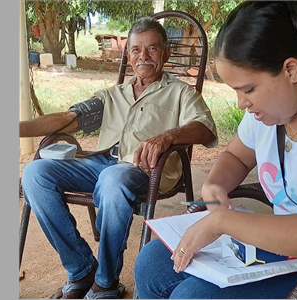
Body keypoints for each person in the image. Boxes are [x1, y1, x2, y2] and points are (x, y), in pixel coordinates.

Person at [20, 17, 218, 299]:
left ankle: (105, 282)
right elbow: (66, 119)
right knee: (35, 173)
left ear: (166, 54)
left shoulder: (180, 93)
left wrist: (168, 136)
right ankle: (81, 269)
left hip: (144, 171)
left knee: (114, 178)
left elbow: (205, 127)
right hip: (101, 165)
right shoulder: (114, 95)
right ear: (128, 54)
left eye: (152, 49)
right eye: (136, 49)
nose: (143, 56)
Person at [134, 2, 297, 299]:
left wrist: (224, 220)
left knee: (191, 296)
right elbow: (235, 156)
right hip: (280, 246)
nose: (240, 104)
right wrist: (215, 184)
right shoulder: (267, 115)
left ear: (291, 70)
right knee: (151, 265)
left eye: (248, 89)